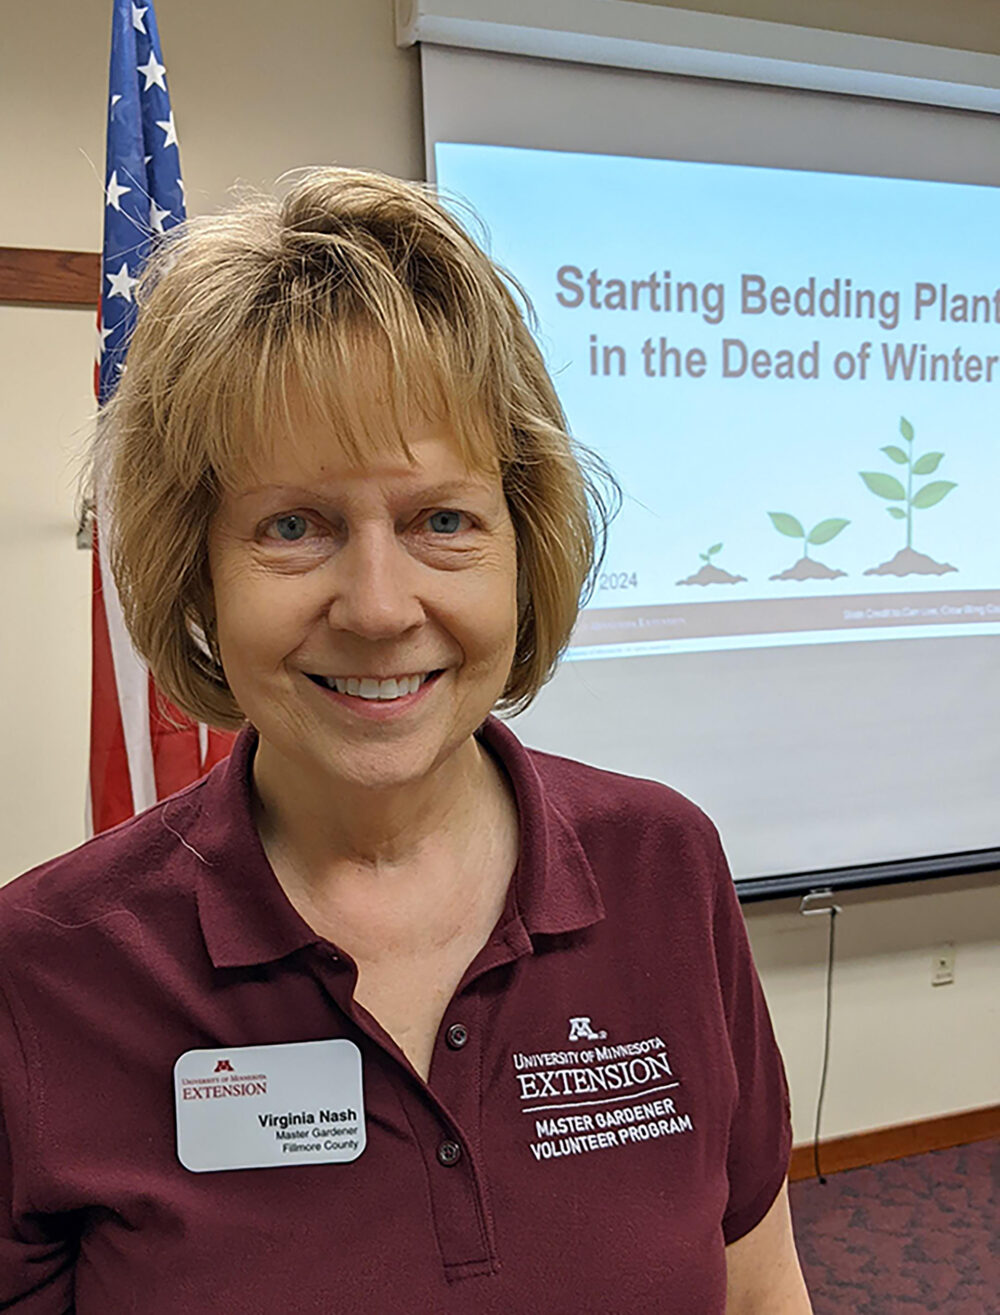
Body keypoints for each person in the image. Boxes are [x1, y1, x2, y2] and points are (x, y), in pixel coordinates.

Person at [0, 168, 813, 1312]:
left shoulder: (660, 864)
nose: (379, 608)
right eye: (293, 524)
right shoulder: (46, 969)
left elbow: (759, 1290)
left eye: (442, 519)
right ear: (200, 568)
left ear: (521, 544)